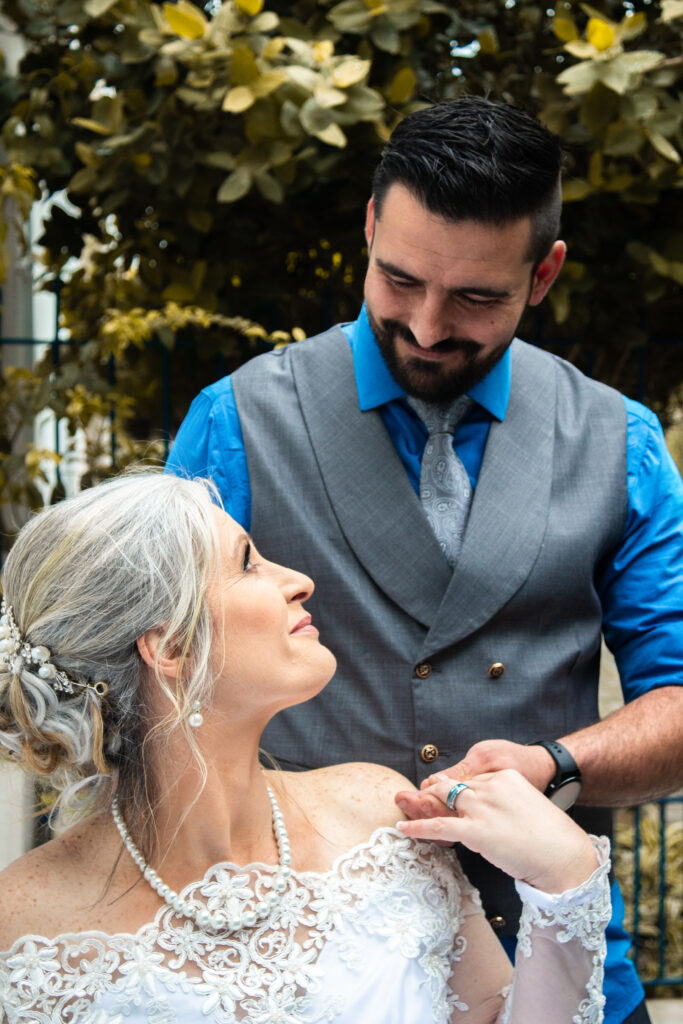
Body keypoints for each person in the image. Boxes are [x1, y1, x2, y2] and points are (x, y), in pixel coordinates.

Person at [165, 96, 683, 1024]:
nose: (429, 326)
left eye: (476, 297)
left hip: (562, 963)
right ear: (369, 227)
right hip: (318, 972)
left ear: (545, 272)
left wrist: (556, 765)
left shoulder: (623, 443)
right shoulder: (233, 421)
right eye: (398, 278)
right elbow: (161, 694)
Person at [0, 472, 611, 1022]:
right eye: (248, 563)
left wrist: (565, 880)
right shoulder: (23, 928)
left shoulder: (379, 816)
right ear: (173, 650)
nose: (299, 580)